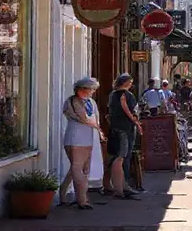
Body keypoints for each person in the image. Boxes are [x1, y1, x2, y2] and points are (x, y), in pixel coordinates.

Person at [60, 77, 103, 209]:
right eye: (91, 89)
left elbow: (96, 118)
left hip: (88, 139)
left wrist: (98, 130)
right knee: (77, 168)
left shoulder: (91, 102)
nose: (93, 92)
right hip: (75, 138)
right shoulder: (73, 101)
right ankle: (82, 200)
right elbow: (83, 118)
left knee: (81, 168)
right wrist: (97, 127)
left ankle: (62, 192)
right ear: (82, 89)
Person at [106, 74, 142, 199]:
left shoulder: (112, 95)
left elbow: (110, 112)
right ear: (125, 82)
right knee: (124, 156)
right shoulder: (128, 95)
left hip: (115, 127)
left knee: (115, 155)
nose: (131, 84)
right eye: (130, 82)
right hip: (126, 128)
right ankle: (123, 185)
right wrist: (137, 123)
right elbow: (132, 113)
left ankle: (111, 184)